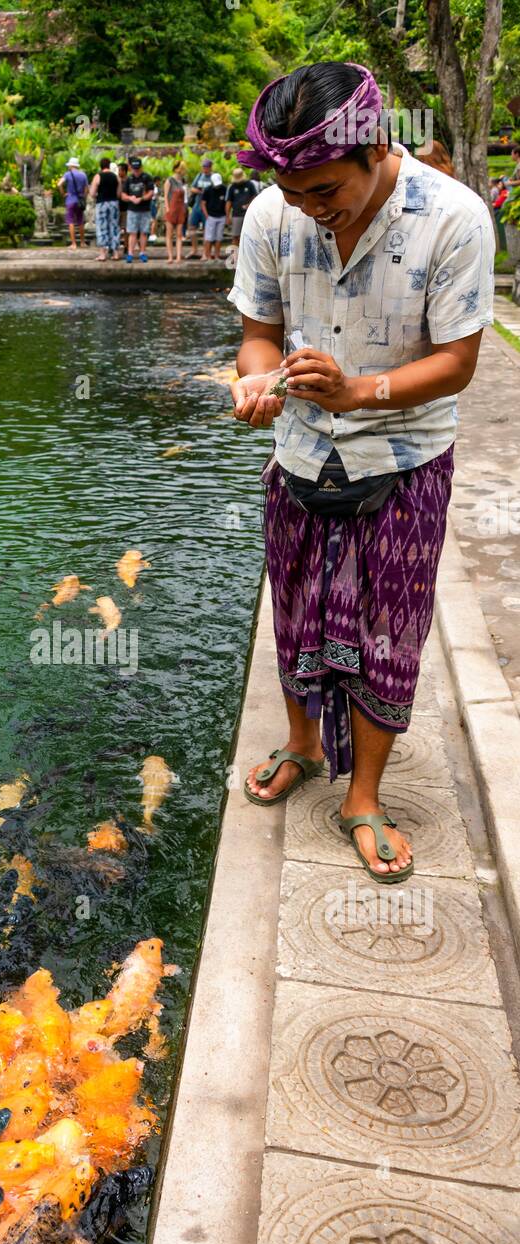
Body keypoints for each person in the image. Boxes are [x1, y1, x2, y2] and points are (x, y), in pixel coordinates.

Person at [229, 61, 493, 882]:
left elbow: (456, 363)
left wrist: (358, 390)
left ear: (376, 146)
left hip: (404, 460)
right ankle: (303, 744)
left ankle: (365, 794)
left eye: (324, 190)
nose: (309, 209)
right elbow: (259, 332)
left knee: (390, 633)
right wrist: (254, 378)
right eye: (293, 191)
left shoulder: (453, 218)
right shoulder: (274, 214)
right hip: (301, 457)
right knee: (297, 612)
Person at [122, 156, 155, 263]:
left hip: (145, 209)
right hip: (132, 209)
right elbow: (123, 195)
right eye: (134, 169)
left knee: (144, 232)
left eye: (138, 169)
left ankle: (142, 252)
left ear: (141, 167)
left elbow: (151, 192)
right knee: (132, 232)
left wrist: (142, 199)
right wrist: (130, 198)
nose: (136, 171)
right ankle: (130, 253)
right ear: (131, 168)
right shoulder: (129, 179)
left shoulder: (147, 177)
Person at [90, 157, 121, 261]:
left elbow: (92, 193)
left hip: (102, 203)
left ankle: (103, 254)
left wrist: (98, 195)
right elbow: (119, 193)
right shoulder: (116, 177)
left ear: (101, 166)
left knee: (102, 227)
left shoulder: (98, 176)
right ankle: (116, 253)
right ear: (109, 165)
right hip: (114, 203)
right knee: (114, 227)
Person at [227, 166, 258, 255]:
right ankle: (234, 257)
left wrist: (249, 205)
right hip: (236, 214)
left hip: (248, 214)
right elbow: (228, 202)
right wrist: (227, 216)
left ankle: (246, 255)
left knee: (248, 236)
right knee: (235, 236)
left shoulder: (249, 184)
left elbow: (255, 197)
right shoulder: (232, 187)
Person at [186, 156, 213, 259]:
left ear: (210, 167)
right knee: (192, 228)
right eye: (203, 167)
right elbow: (192, 188)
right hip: (197, 206)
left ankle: (205, 253)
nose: (205, 169)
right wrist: (200, 191)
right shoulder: (199, 175)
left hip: (207, 207)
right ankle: (194, 249)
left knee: (207, 230)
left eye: (206, 167)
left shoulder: (213, 177)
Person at [59, 156, 88, 250]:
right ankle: (83, 242)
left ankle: (74, 244)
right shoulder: (83, 175)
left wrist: (63, 194)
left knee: (71, 221)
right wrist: (83, 197)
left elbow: (59, 184)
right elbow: (86, 189)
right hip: (79, 200)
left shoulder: (67, 174)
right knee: (80, 221)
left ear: (71, 165)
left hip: (70, 200)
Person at [163, 160, 187, 264]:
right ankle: (170, 256)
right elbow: (165, 196)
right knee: (169, 234)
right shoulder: (169, 180)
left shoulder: (183, 181)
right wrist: (168, 209)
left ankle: (178, 257)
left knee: (179, 234)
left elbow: (185, 196)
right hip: (171, 209)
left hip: (180, 209)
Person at [201, 170, 229, 260]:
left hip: (221, 216)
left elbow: (227, 203)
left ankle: (217, 255)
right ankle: (208, 255)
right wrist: (206, 215)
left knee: (219, 237)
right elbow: (203, 203)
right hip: (211, 216)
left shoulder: (224, 189)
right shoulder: (207, 190)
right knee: (209, 237)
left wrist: (227, 216)